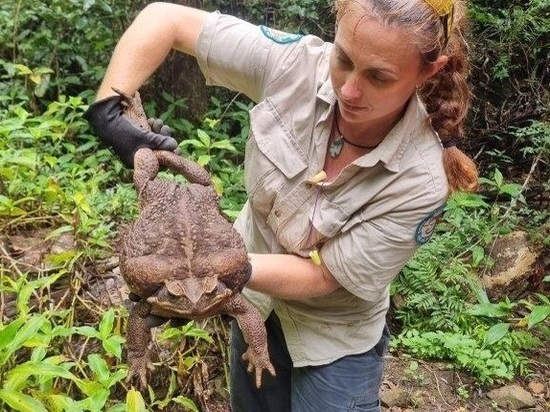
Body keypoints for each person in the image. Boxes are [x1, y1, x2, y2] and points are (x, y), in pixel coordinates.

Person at [84, 0, 478, 410]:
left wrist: (219, 269)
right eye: (343, 58)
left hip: (332, 338)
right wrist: (109, 114)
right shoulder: (295, 65)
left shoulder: (421, 178)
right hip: (253, 306)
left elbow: (325, 276)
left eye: (379, 77)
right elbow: (164, 19)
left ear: (428, 71)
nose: (348, 89)